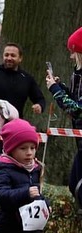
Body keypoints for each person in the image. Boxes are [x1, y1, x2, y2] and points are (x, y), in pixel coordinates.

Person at [45, 26, 82, 210]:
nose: (70, 57)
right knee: (74, 184)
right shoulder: (78, 74)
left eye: (73, 52)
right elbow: (76, 99)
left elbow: (77, 110)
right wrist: (63, 87)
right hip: (80, 141)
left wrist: (55, 90)